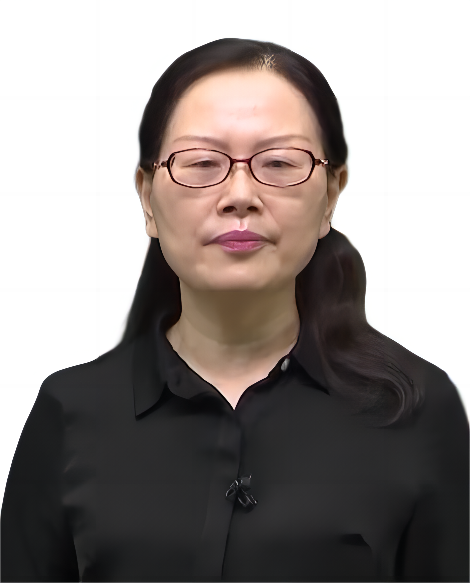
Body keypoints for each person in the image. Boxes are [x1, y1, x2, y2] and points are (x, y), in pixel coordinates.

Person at [0, 38, 468, 583]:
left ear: (330, 196)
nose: (239, 194)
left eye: (278, 163)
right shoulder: (69, 412)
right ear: (147, 198)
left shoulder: (413, 410)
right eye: (202, 163)